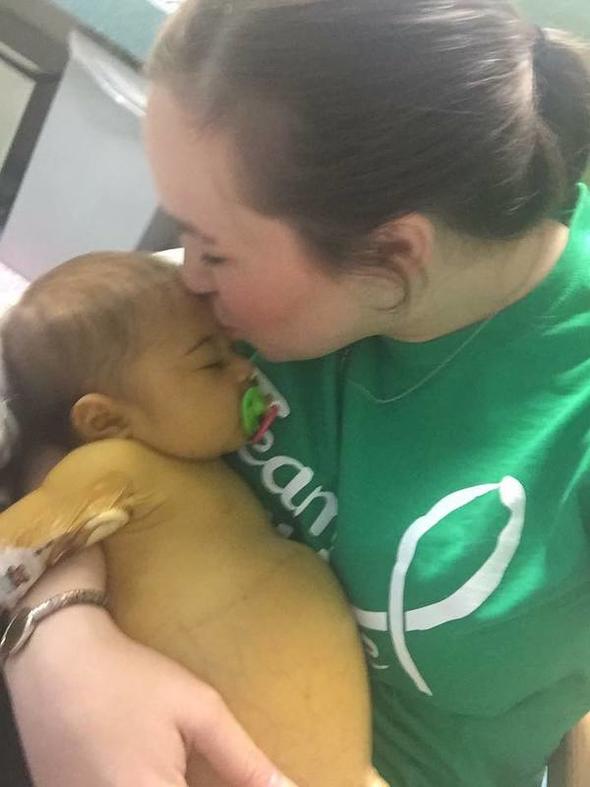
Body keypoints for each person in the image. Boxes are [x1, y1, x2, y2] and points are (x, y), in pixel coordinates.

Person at [3, 1, 590, 785]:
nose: (186, 276)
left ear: (393, 252)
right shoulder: (229, 307)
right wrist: (58, 639)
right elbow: (69, 420)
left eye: (214, 249)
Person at [0, 250, 376, 787]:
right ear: (105, 420)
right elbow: (13, 549)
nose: (245, 369)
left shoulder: (197, 462)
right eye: (212, 363)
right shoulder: (115, 466)